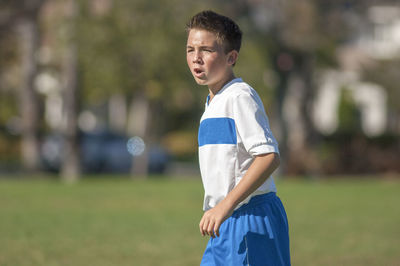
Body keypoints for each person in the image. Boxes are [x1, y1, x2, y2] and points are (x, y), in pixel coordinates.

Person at [186, 10, 291, 265]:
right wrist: (222, 209)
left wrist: (225, 205)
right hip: (226, 221)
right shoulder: (213, 102)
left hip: (250, 218)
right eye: (190, 49)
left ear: (231, 57)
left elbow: (268, 156)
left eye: (207, 50)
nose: (196, 58)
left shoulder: (239, 96)